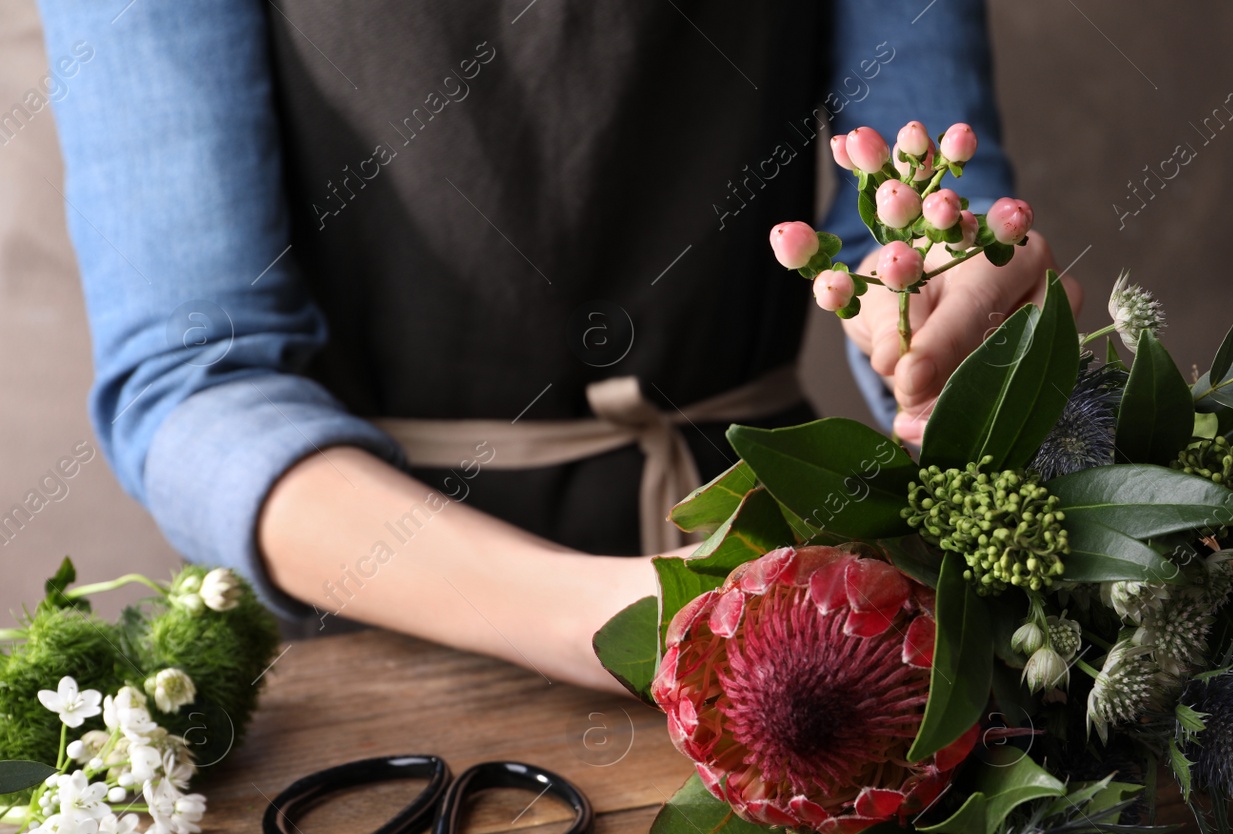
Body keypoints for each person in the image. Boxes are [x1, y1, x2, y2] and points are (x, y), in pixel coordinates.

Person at [38, 0, 1079, 690]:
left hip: (777, 583)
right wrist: (606, 613)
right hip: (376, 638)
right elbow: (194, 382)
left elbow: (921, 187)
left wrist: (951, 298)